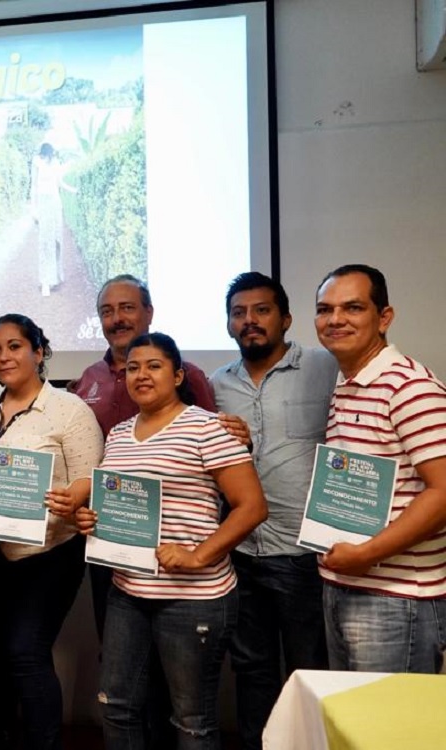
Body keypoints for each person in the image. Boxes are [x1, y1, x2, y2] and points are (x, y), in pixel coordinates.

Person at [58, 332, 267, 750]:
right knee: (116, 705)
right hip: (127, 592)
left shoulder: (209, 428)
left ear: (177, 374)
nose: (141, 375)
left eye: (153, 366)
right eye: (133, 368)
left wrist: (197, 556)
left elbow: (251, 507)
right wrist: (89, 519)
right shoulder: (117, 435)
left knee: (191, 720)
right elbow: (112, 507)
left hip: (193, 596)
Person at [72, 275, 218, 749]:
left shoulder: (191, 377)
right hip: (115, 554)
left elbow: (217, 455)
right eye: (108, 310)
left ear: (148, 313)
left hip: (181, 559)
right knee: (124, 680)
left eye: (128, 307)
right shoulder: (88, 380)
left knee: (180, 695)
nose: (118, 318)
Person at [210, 272, 335, 750]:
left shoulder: (326, 367)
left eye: (261, 311)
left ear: (285, 318)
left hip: (307, 554)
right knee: (252, 671)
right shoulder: (218, 384)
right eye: (239, 313)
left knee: (312, 671)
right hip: (242, 553)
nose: (250, 321)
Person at [0, 314, 102, 750]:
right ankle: (1, 737)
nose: (4, 356)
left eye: (14, 346)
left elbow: (90, 478)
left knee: (26, 652)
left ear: (38, 352)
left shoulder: (68, 408)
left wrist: (73, 496)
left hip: (49, 554)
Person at [313, 264, 446, 673]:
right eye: (325, 309)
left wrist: (367, 554)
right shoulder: (348, 383)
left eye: (352, 307)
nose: (335, 319)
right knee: (353, 726)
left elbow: (442, 491)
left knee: (389, 733)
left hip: (398, 597)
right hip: (346, 584)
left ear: (383, 317)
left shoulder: (410, 386)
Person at [31, 143, 65, 296]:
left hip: (55, 204)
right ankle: (45, 282)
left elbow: (59, 183)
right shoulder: (36, 162)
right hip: (43, 205)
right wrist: (34, 209)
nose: (47, 157)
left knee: (57, 240)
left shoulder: (56, 163)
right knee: (45, 243)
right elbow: (33, 186)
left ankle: (56, 276)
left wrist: (74, 190)